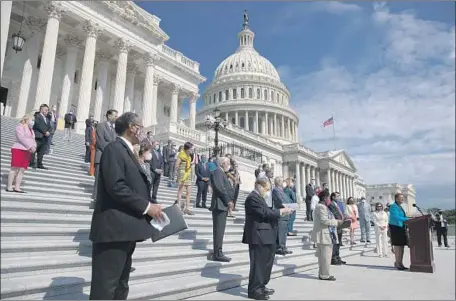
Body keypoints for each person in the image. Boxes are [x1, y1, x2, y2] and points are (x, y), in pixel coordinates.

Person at [89, 112, 163, 300]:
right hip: (113, 231)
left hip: (125, 231)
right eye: (141, 126)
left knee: (120, 286)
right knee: (105, 288)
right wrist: (147, 207)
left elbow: (132, 186)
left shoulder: (128, 151)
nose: (143, 131)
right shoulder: (115, 149)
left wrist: (151, 205)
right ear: (132, 127)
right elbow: (116, 186)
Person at [243, 177, 293, 300]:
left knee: (266, 264)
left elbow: (267, 211)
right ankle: (254, 290)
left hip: (266, 235)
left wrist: (281, 211)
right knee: (258, 265)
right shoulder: (252, 198)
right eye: (266, 189)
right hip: (258, 236)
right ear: (259, 186)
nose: (267, 191)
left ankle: (261, 285)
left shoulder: (259, 198)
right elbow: (264, 213)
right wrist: (281, 212)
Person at [311, 189, 343, 281]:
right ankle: (325, 275)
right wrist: (337, 222)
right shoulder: (321, 207)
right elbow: (324, 220)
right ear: (325, 198)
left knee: (323, 257)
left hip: (324, 234)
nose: (329, 199)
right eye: (328, 197)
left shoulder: (322, 207)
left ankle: (322, 274)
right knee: (326, 256)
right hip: (324, 235)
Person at [209, 156, 234, 262]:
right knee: (219, 230)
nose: (229, 165)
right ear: (223, 163)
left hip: (222, 205)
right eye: (228, 163)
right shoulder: (217, 172)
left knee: (220, 230)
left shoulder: (221, 172)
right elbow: (220, 188)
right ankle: (218, 254)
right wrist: (228, 200)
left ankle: (218, 251)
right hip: (219, 204)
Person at [92, 109, 118, 203]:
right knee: (99, 179)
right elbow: (100, 142)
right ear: (109, 116)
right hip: (101, 156)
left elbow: (116, 142)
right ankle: (95, 199)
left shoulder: (115, 129)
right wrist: (111, 147)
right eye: (115, 116)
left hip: (110, 158)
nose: (116, 117)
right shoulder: (101, 126)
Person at [6, 114, 36, 193]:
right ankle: (9, 186)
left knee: (22, 169)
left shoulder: (31, 130)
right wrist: (30, 146)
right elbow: (21, 138)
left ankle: (17, 187)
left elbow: (33, 139)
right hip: (18, 149)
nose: (33, 122)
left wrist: (34, 147)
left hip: (27, 151)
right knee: (14, 168)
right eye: (31, 120)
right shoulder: (20, 127)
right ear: (26, 119)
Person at [272, 177, 293, 256]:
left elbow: (288, 200)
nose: (284, 182)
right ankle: (279, 248)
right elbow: (280, 201)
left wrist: (292, 206)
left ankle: (283, 247)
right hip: (281, 213)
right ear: (279, 182)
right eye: (282, 181)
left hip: (286, 214)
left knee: (284, 232)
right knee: (280, 231)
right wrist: (288, 207)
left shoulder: (282, 191)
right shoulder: (275, 190)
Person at [388, 193, 409, 270]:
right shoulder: (393, 206)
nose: (402, 199)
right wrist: (407, 219)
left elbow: (403, 216)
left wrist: (408, 218)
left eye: (403, 198)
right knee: (398, 246)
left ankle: (400, 263)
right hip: (395, 227)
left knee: (401, 246)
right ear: (396, 199)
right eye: (401, 198)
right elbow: (395, 217)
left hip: (401, 227)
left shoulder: (400, 207)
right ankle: (397, 263)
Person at [175, 142, 195, 215]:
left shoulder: (189, 156)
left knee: (189, 192)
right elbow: (176, 165)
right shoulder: (181, 154)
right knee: (181, 191)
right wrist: (180, 171)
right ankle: (179, 207)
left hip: (188, 174)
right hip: (182, 175)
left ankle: (187, 208)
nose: (192, 150)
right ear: (187, 148)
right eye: (191, 149)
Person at [30, 104, 51, 170]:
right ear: (41, 110)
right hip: (38, 136)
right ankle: (31, 163)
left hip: (44, 138)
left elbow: (49, 127)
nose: (47, 111)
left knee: (41, 152)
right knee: (34, 150)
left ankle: (39, 163)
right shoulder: (37, 116)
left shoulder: (47, 118)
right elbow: (37, 125)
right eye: (45, 110)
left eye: (47, 110)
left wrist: (49, 131)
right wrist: (45, 132)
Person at [328, 192, 346, 265]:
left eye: (339, 196)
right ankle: (334, 258)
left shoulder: (337, 204)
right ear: (333, 197)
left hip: (340, 224)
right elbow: (335, 214)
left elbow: (340, 213)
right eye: (337, 196)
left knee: (339, 242)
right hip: (336, 224)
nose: (339, 197)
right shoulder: (331, 204)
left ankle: (338, 257)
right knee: (335, 242)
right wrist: (340, 221)